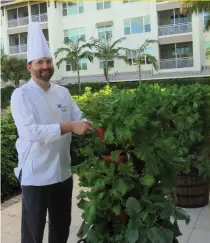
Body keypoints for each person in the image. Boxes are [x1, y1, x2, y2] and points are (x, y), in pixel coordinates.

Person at [10, 22, 92, 243]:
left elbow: (79, 117)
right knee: (33, 231)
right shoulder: (21, 95)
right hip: (35, 175)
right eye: (39, 62)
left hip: (62, 173)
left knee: (61, 227)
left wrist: (85, 123)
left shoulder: (63, 92)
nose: (45, 66)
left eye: (48, 61)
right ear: (29, 67)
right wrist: (69, 127)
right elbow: (30, 133)